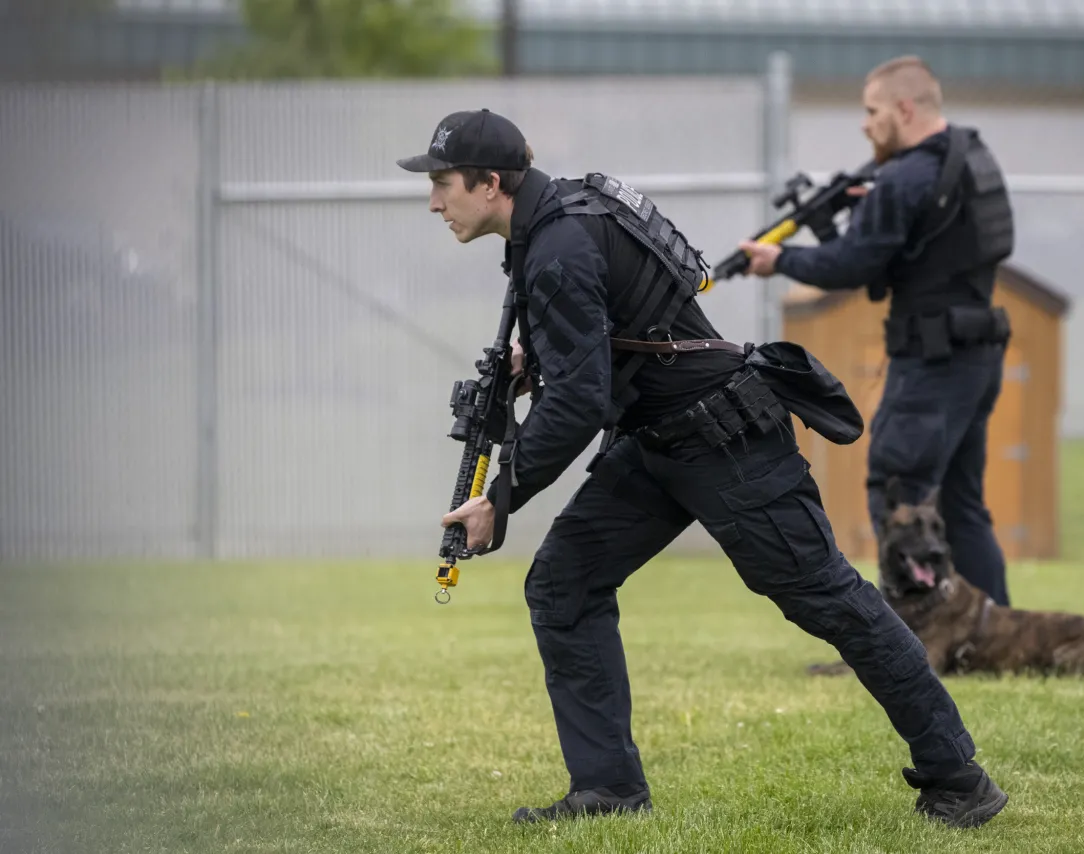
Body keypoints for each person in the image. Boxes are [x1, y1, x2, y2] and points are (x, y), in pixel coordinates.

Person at [397, 107, 1008, 828]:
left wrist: (500, 499)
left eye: (443, 184)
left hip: (728, 443)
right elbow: (622, 331)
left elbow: (579, 404)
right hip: (658, 439)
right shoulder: (565, 215)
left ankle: (957, 776)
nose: (435, 202)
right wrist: (551, 357)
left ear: (490, 182)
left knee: (832, 600)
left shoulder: (557, 245)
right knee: (563, 584)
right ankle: (608, 791)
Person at [738, 55, 1015, 608]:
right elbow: (923, 247)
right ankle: (990, 633)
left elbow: (852, 265)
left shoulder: (904, 177)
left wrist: (779, 260)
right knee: (961, 505)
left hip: (931, 363)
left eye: (871, 111)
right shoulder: (970, 159)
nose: (865, 125)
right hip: (976, 356)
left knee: (899, 498)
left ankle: (904, 648)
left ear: (904, 109)